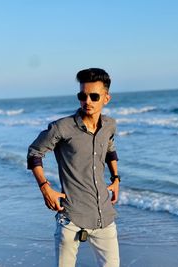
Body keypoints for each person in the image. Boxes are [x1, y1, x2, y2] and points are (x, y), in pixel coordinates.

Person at [27, 68, 120, 267]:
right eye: (82, 95)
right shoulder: (61, 127)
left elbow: (110, 148)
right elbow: (34, 152)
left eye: (94, 96)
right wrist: (45, 188)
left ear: (106, 98)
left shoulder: (110, 125)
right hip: (71, 219)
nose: (87, 101)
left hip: (104, 216)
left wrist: (116, 178)